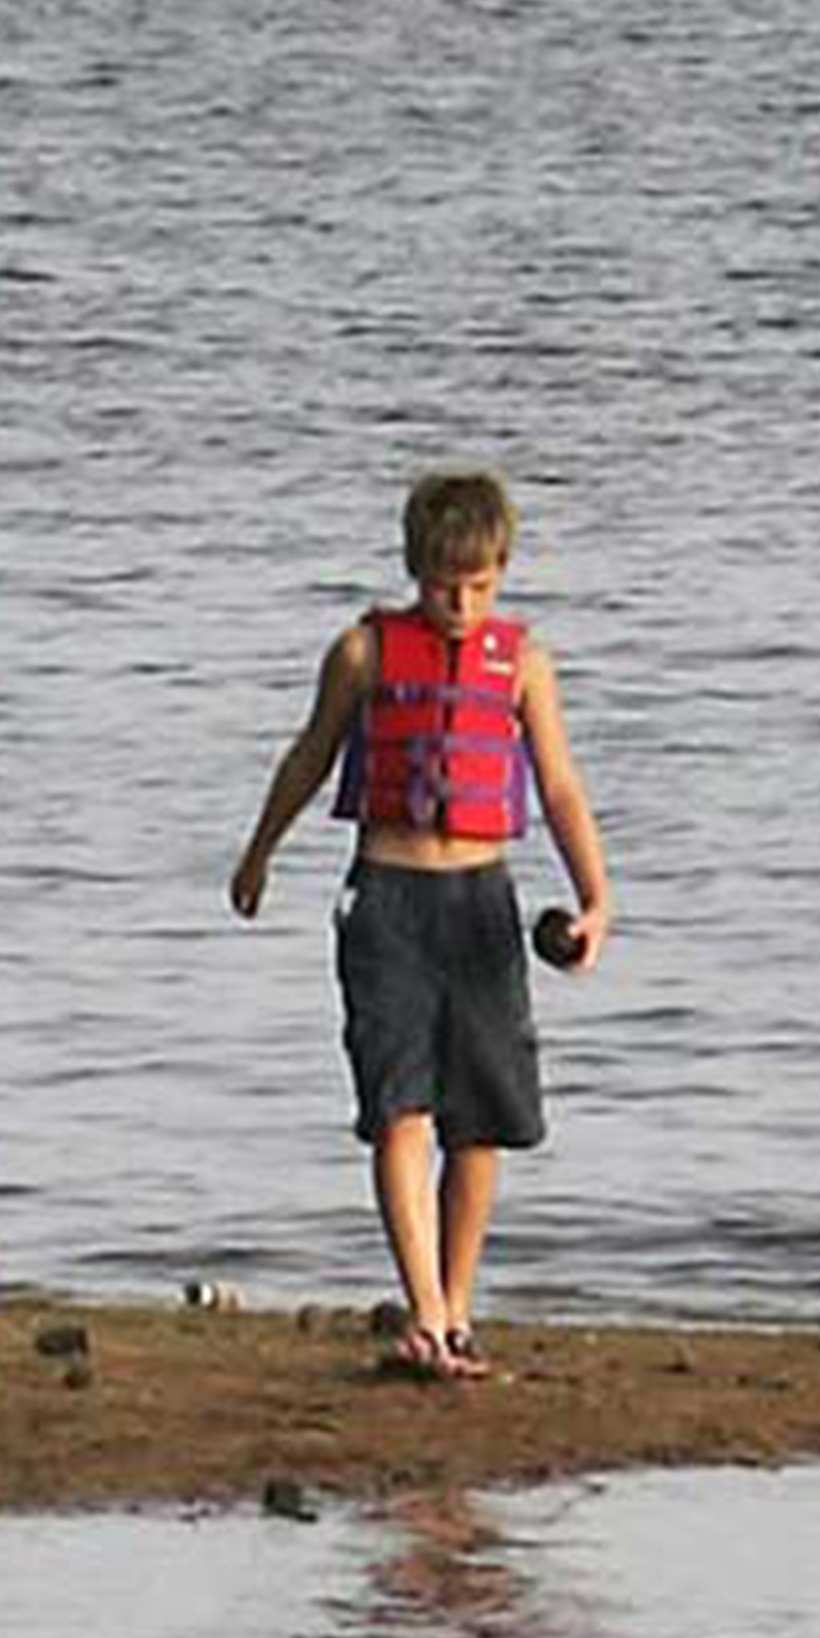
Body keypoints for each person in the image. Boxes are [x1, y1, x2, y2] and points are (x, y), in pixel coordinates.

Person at [228, 470, 610, 1383]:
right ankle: (425, 1318)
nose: (460, 603)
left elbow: (557, 785)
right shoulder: (364, 653)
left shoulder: (522, 665)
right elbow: (311, 756)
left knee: (479, 1123)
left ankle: (459, 1307)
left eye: (479, 586)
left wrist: (595, 898)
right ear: (414, 569)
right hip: (388, 901)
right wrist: (259, 851)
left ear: (502, 574)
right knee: (399, 1108)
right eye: (445, 585)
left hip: (482, 905)